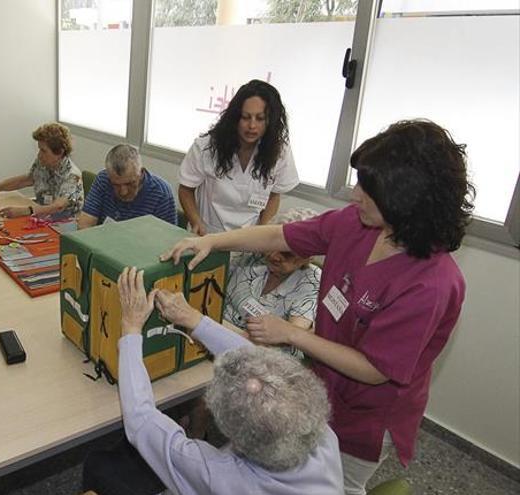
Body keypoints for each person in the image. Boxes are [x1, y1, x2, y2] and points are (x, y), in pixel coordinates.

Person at [162, 120, 474, 495]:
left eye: (367, 189)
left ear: (403, 199)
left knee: (332, 485)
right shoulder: (357, 225)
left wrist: (292, 334)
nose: (355, 195)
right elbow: (280, 234)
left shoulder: (432, 283)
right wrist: (214, 241)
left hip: (367, 416)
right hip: (321, 388)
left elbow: (375, 369)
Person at [82, 267, 343, 495]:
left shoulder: (222, 477)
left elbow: (141, 420)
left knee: (103, 465)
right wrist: (194, 320)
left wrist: (130, 328)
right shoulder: (322, 435)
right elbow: (257, 360)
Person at [178, 79, 299, 235]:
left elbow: (274, 195)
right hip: (209, 234)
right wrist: (196, 223)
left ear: (270, 121)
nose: (252, 126)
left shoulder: (279, 152)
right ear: (235, 117)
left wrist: (262, 232)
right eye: (245, 117)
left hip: (249, 239)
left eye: (260, 118)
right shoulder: (205, 147)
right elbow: (186, 189)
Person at [223, 207, 321, 358]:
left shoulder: (312, 281)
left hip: (263, 359)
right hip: (218, 337)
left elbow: (292, 333)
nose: (274, 256)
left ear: (309, 256)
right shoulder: (252, 255)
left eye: (287, 252)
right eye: (272, 246)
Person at [0, 122, 84, 219]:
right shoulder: (43, 162)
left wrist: (27, 211)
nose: (39, 155)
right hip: (41, 215)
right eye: (39, 149)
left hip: (65, 224)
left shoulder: (72, 175)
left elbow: (58, 206)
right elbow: (26, 180)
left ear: (59, 152)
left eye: (43, 151)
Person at [77, 144, 177, 229]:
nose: (123, 192)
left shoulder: (161, 193)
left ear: (141, 173)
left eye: (130, 184)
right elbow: (85, 224)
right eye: (116, 185)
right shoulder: (103, 179)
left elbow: (167, 242)